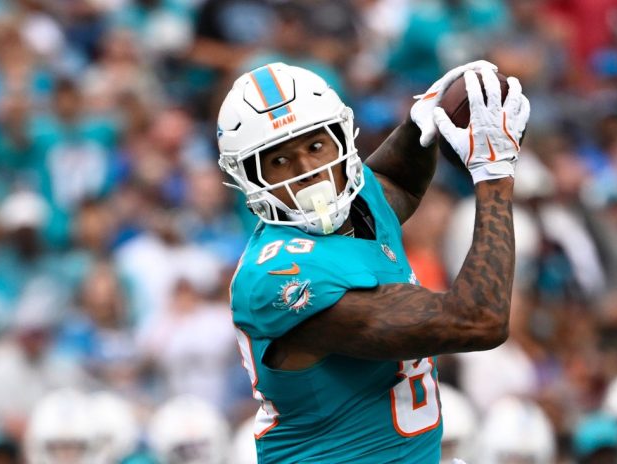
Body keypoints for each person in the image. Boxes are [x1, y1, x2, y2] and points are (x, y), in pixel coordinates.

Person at [217, 61, 530, 462]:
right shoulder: (277, 276)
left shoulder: (359, 207)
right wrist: (495, 174)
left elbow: (395, 182)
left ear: (341, 139)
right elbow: (479, 320)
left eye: (316, 147)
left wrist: (422, 120)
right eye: (279, 161)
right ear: (249, 177)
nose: (308, 171)